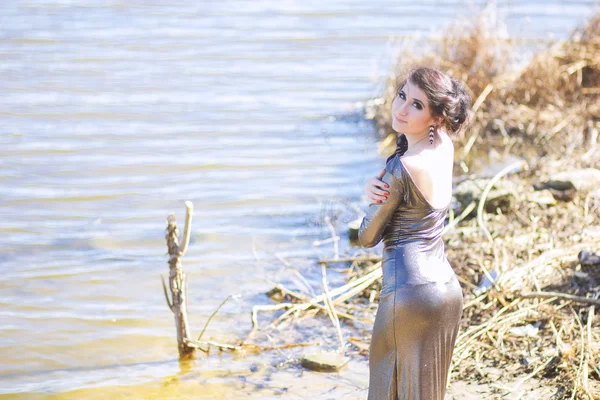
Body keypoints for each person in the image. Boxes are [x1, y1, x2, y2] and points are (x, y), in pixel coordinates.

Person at [358, 66, 471, 400]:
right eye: (402, 95)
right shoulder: (445, 146)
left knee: (386, 389)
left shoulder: (402, 167)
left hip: (406, 293)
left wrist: (372, 193)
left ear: (436, 117)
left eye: (417, 105)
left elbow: (367, 236)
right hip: (446, 292)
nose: (401, 108)